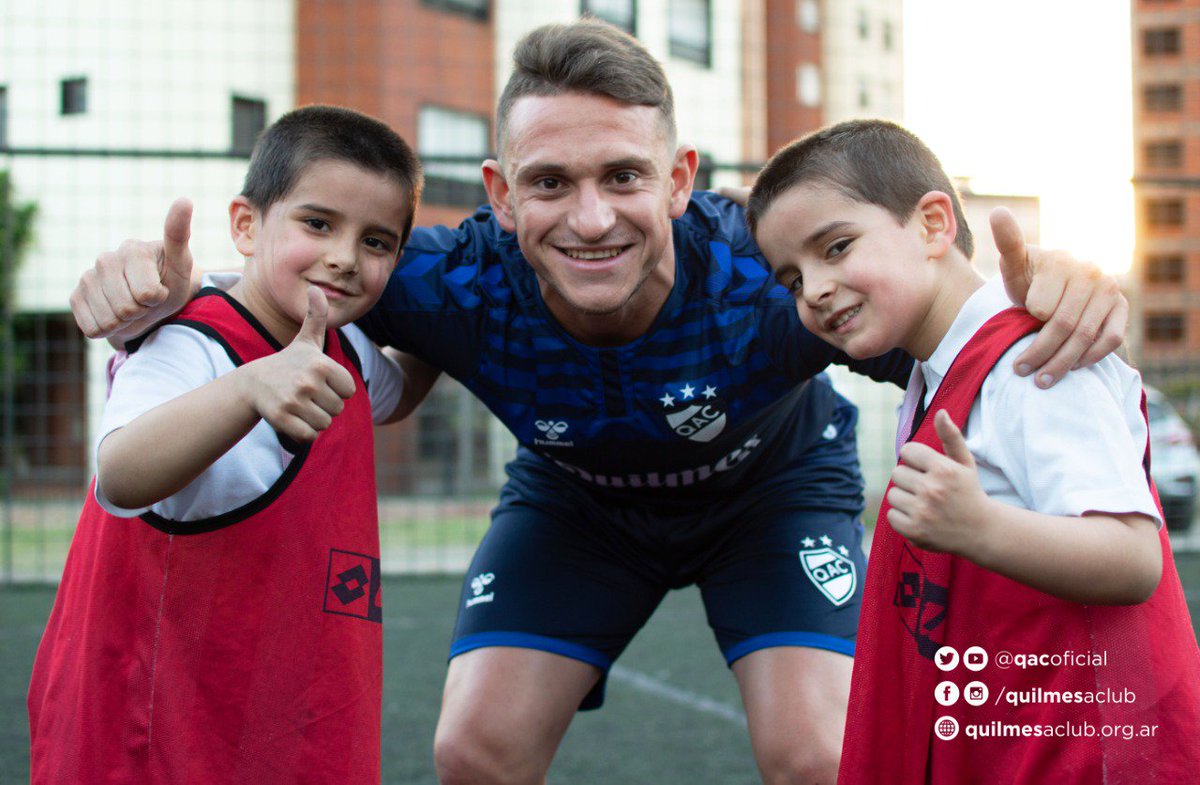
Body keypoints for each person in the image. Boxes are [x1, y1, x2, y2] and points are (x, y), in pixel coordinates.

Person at [67, 20, 1131, 785]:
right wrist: (158, 294)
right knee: (472, 748)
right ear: (499, 192)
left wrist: (1057, 292)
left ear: (679, 178)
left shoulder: (772, 277)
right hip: (578, 507)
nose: (589, 219)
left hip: (769, 493)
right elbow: (290, 277)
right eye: (549, 183)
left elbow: (949, 314)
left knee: (821, 753)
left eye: (624, 176)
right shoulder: (444, 279)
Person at [748, 119, 1200, 784]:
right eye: (791, 278)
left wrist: (979, 526)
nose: (813, 288)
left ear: (933, 225)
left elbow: (1133, 559)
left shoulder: (1034, 362)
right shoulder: (936, 375)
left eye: (836, 248)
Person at [28, 105, 425, 783]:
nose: (344, 256)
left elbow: (400, 392)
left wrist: (462, 320)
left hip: (281, 722)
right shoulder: (190, 341)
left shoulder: (348, 348)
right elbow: (120, 475)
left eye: (377, 242)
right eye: (318, 223)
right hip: (159, 739)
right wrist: (249, 388)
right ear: (246, 225)